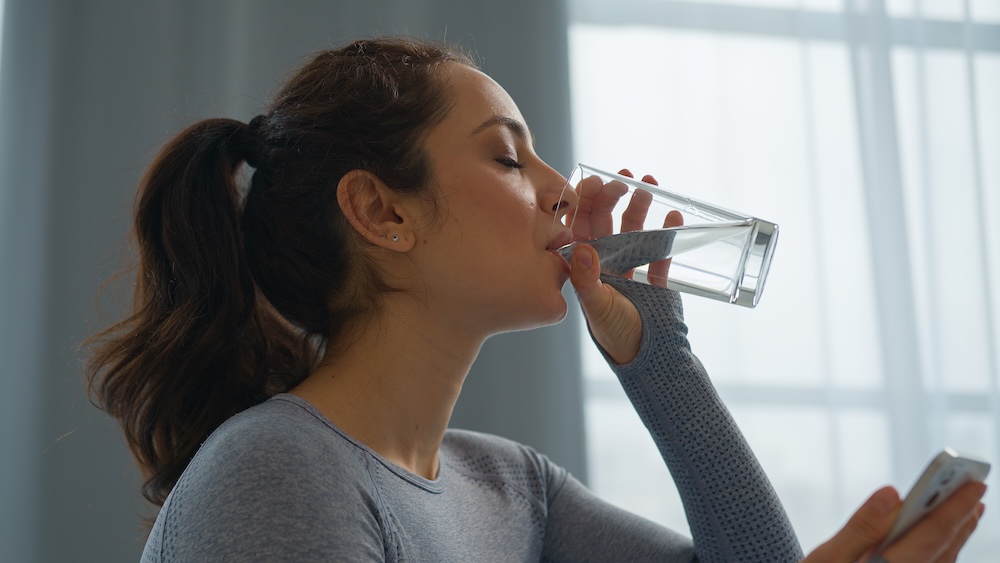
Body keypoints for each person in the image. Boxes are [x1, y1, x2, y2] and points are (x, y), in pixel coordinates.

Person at [86, 37, 985, 562]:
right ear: (381, 210)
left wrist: (659, 358)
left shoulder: (512, 486)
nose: (564, 190)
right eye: (510, 157)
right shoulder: (274, 470)